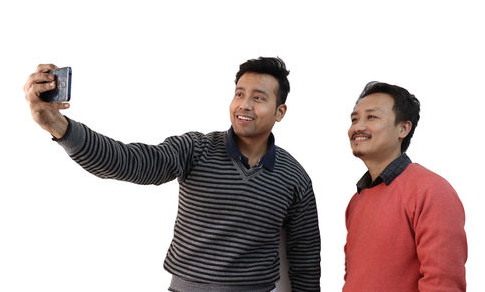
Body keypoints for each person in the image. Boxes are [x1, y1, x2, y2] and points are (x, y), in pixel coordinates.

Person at [23, 57, 321, 292]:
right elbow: (129, 161)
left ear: (280, 111)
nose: (244, 104)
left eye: (258, 98)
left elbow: (305, 261)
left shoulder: (294, 177)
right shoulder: (196, 148)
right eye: (239, 94)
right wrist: (59, 126)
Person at [343, 81, 467, 291]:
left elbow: (442, 284)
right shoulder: (356, 201)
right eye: (354, 119)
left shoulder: (432, 191)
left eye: (371, 117)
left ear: (403, 128)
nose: (358, 126)